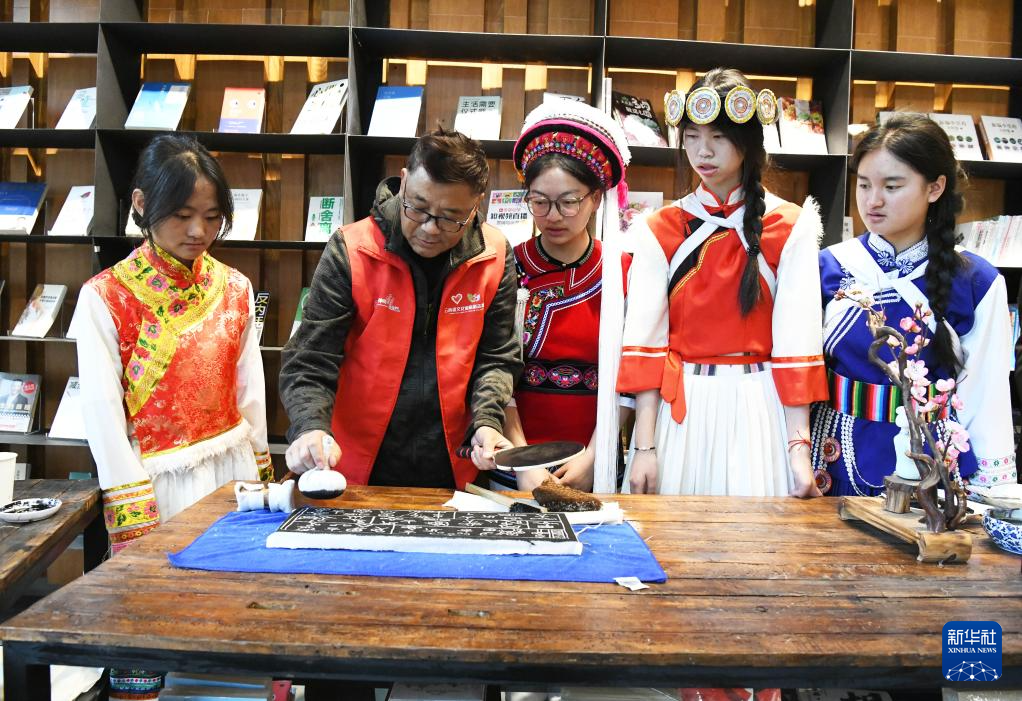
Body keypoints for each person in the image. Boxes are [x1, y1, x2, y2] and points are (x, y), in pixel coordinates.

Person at [70, 134, 271, 700]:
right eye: (182, 216)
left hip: (232, 474)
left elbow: (250, 391)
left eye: (212, 217)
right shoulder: (105, 296)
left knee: (233, 620)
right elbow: (102, 412)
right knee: (152, 617)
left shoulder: (236, 288)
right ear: (141, 204)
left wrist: (261, 475)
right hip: (154, 482)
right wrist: (130, 503)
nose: (198, 231)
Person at [618, 67, 828, 497]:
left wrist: (798, 448)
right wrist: (644, 447)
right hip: (682, 411)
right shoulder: (658, 228)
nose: (703, 151)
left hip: (759, 407)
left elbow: (797, 345)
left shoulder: (791, 226)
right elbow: (645, 346)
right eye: (691, 137)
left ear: (748, 142)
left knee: (757, 535)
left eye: (718, 137)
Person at [279, 128, 521, 489]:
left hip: (454, 461)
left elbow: (497, 356)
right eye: (418, 207)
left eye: (450, 217)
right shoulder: (353, 248)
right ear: (404, 181)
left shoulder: (494, 253)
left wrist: (487, 422)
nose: (430, 228)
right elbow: (311, 358)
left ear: (476, 204)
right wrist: (310, 426)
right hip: (357, 460)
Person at [812, 113, 1015, 495]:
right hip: (836, 460)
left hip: (931, 465)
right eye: (864, 184)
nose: (872, 200)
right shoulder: (828, 266)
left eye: (892, 186)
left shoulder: (977, 282)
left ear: (935, 188)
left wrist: (992, 495)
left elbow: (986, 395)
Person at [493, 99, 632, 493]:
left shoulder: (623, 271)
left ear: (596, 198)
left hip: (593, 465)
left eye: (569, 202)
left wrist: (595, 456)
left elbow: (631, 375)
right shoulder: (506, 266)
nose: (553, 216)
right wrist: (522, 460)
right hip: (516, 463)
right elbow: (494, 370)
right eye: (539, 201)